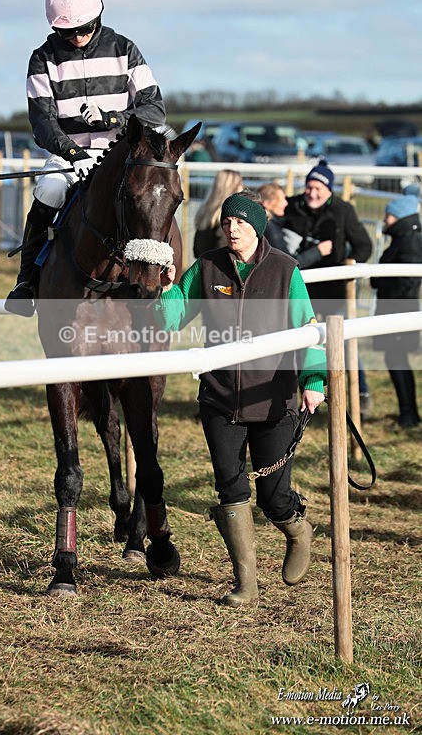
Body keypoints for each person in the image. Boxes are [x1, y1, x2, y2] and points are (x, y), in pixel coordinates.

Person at [157, 190, 327, 607]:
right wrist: (167, 291)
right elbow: (174, 319)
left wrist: (314, 381)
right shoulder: (207, 266)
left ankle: (297, 529)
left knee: (272, 496)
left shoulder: (286, 270)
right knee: (230, 489)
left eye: (240, 222)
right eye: (227, 222)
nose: (231, 228)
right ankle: (245, 585)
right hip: (219, 399)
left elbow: (309, 328)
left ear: (257, 226)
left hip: (274, 400)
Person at [5, 0, 166, 317]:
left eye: (85, 28)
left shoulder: (125, 49)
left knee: (153, 197)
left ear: (99, 16)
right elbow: (42, 121)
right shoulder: (42, 59)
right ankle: (26, 280)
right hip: (69, 156)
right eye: (68, 32)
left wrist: (113, 119)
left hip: (122, 155)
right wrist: (71, 150)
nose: (78, 38)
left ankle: (167, 277)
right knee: (48, 191)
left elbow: (155, 109)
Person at [283, 159, 373, 414]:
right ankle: (299, 397)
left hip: (335, 291)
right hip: (302, 291)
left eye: (318, 189)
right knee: (301, 341)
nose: (312, 193)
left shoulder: (343, 211)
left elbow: (364, 245)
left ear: (329, 190)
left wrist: (349, 268)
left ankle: (360, 393)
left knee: (341, 342)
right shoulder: (292, 206)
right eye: (309, 187)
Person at [371, 194, 421, 428]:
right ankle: (408, 412)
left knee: (397, 359)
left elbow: (408, 280)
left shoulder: (410, 241)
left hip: (398, 311)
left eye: (388, 215)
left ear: (400, 217)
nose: (385, 220)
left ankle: (409, 414)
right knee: (396, 359)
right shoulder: (404, 239)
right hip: (397, 310)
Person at [258, 182, 333, 269]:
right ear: (267, 204)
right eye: (282, 199)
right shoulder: (270, 228)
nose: (286, 203)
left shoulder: (265, 224)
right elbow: (287, 264)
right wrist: (318, 251)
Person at [193, 169, 243, 257]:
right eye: (240, 184)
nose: (242, 187)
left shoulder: (204, 213)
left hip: (203, 266)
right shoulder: (228, 218)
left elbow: (196, 250)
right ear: (233, 187)